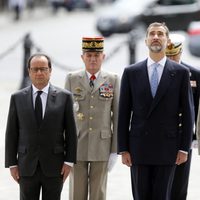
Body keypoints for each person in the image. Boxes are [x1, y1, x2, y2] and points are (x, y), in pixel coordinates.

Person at [117, 22, 194, 200]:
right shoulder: (131, 72)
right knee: (141, 196)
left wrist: (184, 148)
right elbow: (123, 113)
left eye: (160, 34)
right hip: (138, 148)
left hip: (167, 148)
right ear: (146, 41)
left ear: (167, 41)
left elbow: (188, 113)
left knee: (163, 196)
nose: (156, 37)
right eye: (152, 34)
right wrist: (123, 149)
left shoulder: (181, 72)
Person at [5, 53, 77, 200]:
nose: (39, 73)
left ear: (50, 71)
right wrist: (12, 163)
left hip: (55, 166)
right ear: (29, 71)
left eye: (43, 69)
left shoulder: (65, 97)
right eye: (35, 69)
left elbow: (71, 132)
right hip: (26, 165)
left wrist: (69, 161)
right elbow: (11, 133)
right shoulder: (17, 98)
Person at [65, 36, 119, 200]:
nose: (93, 59)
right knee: (76, 192)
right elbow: (65, 116)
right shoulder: (72, 79)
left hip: (102, 145)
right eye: (89, 55)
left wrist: (115, 150)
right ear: (82, 58)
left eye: (97, 55)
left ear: (103, 57)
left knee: (98, 193)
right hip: (77, 144)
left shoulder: (113, 79)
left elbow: (116, 116)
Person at [165, 34, 200, 200]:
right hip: (162, 135)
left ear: (181, 52)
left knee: (180, 184)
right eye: (168, 55)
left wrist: (195, 135)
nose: (171, 58)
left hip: (184, 135)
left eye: (175, 55)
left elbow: (198, 107)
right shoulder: (157, 71)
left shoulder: (194, 74)